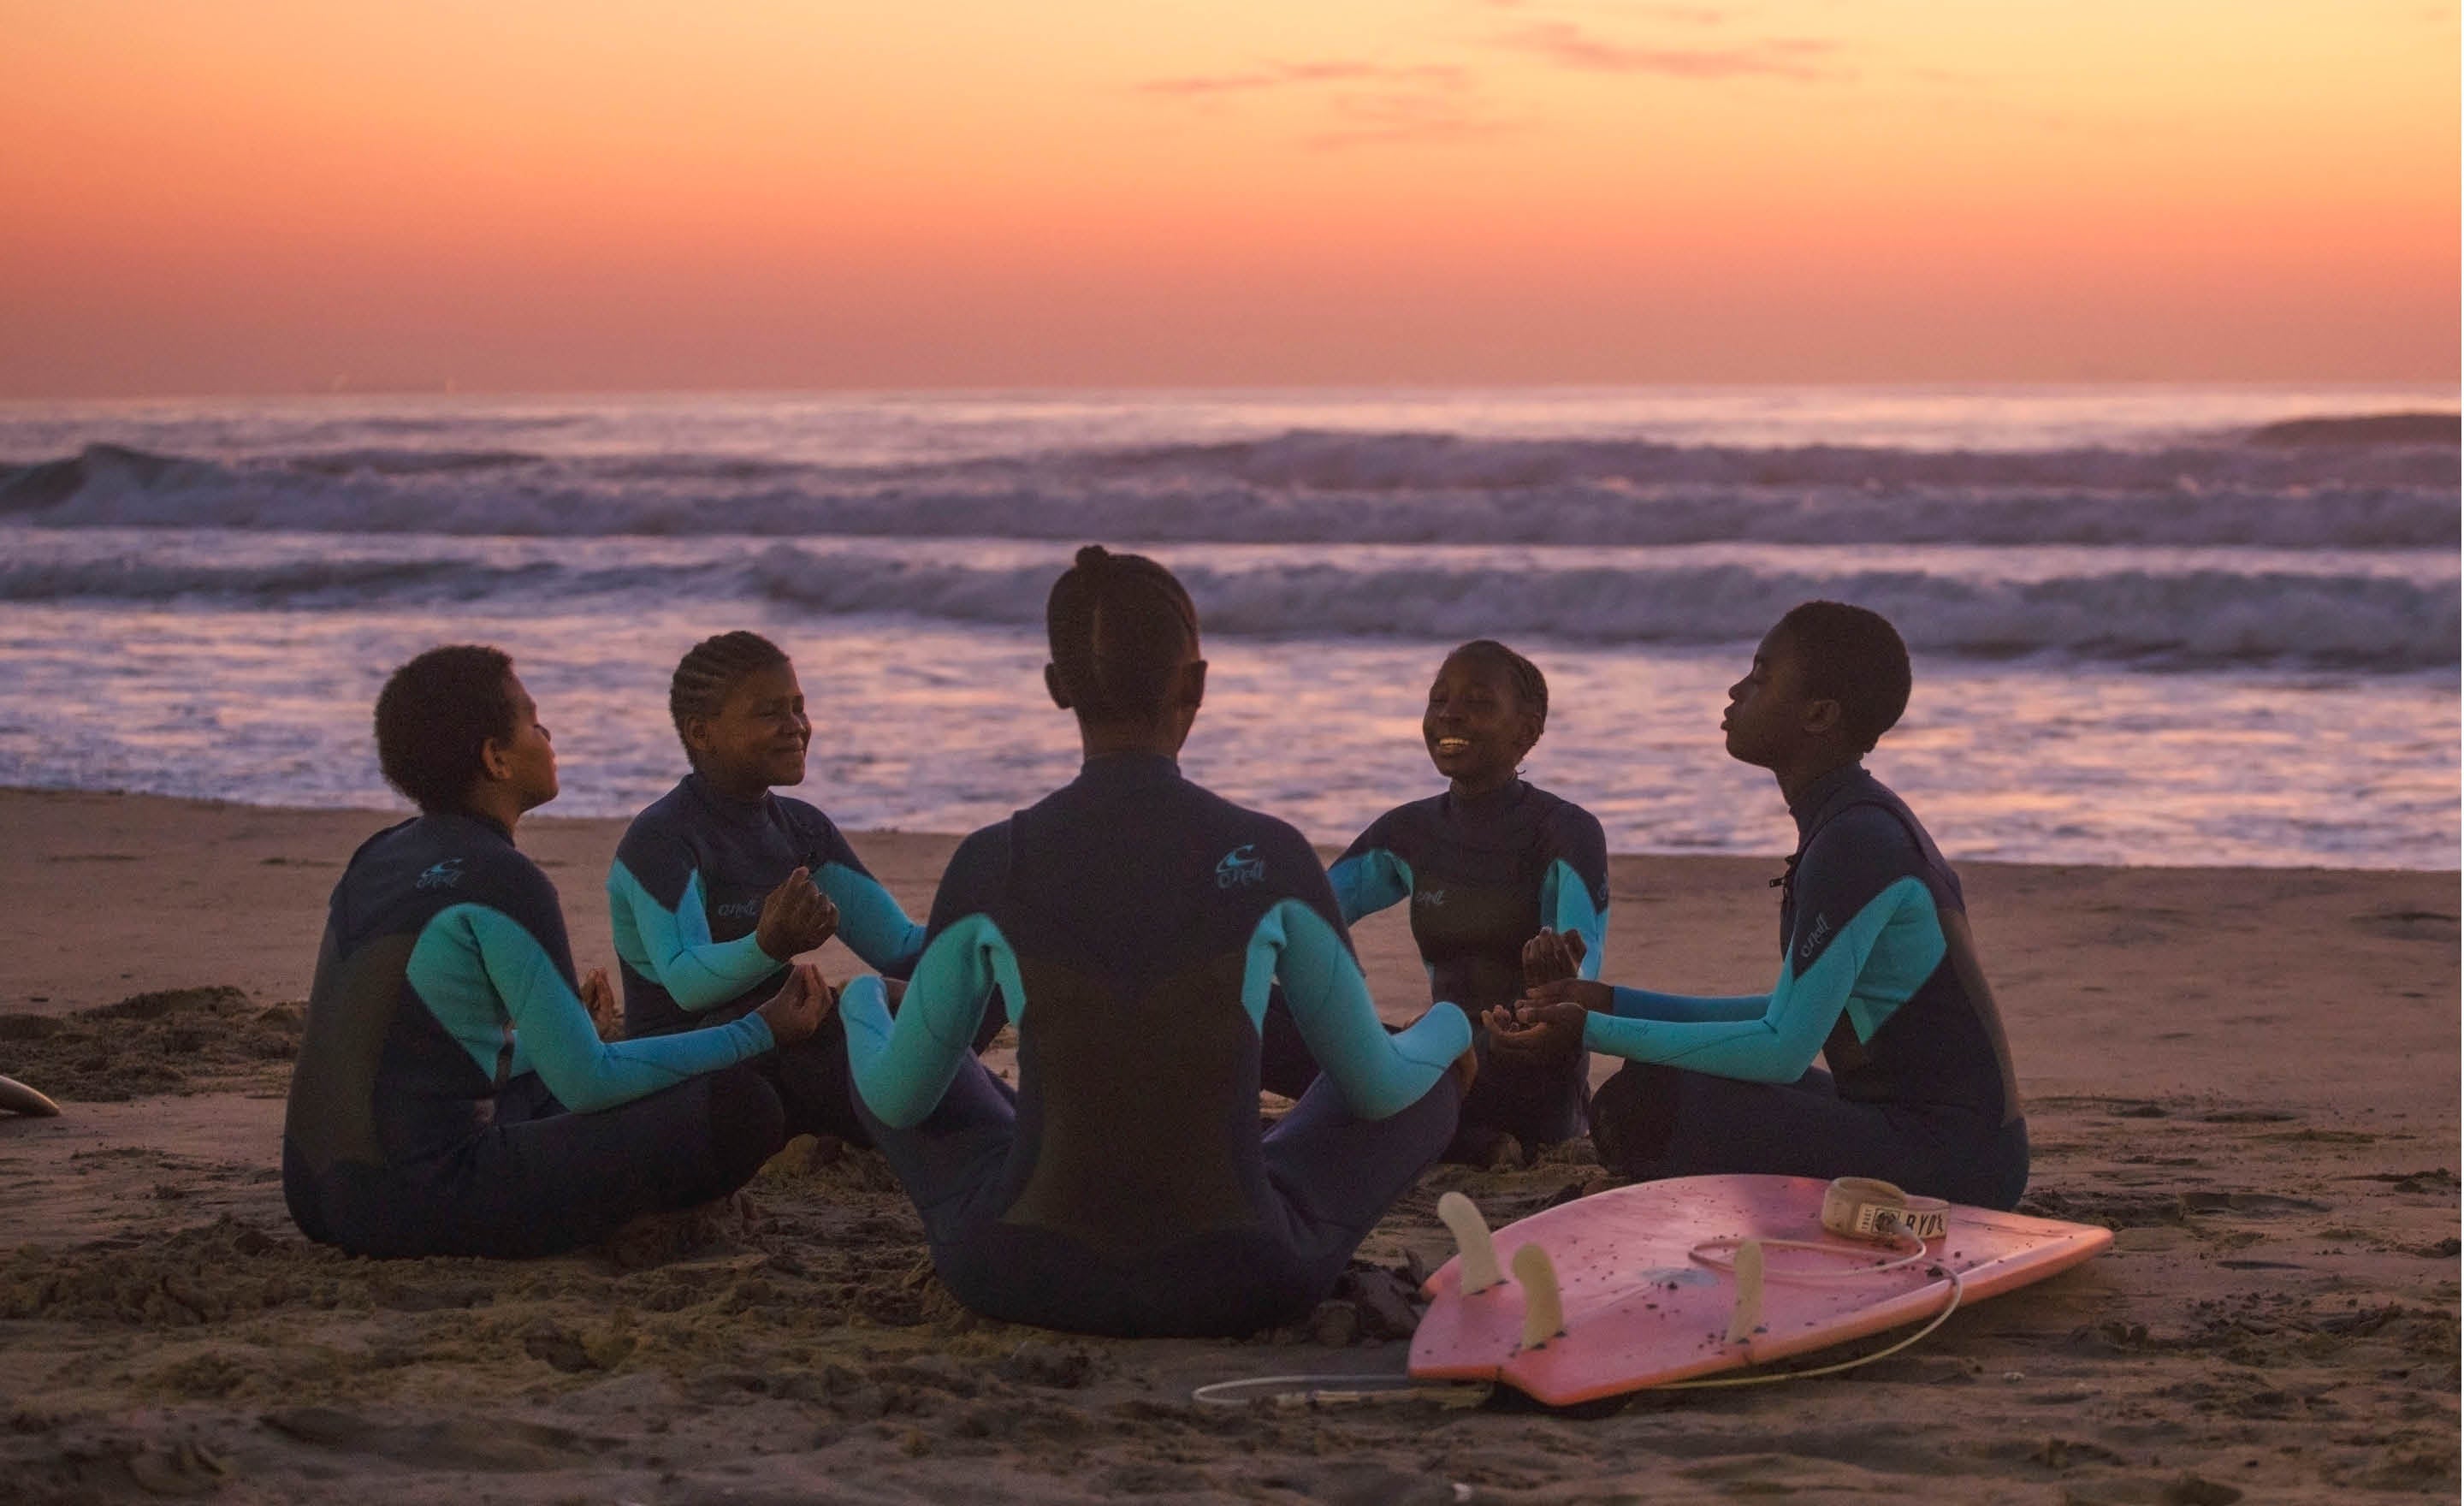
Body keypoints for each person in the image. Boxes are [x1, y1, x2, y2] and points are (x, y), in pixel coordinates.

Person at [835, 546, 1478, 1337]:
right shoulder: (1269, 853)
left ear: (1056, 687)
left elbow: (900, 1100)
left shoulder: (993, 860)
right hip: (1244, 1274)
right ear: (1196, 685)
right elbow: (1374, 1089)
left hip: (1018, 1270)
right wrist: (1450, 1030)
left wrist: (861, 1001)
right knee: (1424, 1082)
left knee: (907, 1059)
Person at [281, 645, 831, 1259]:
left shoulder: (379, 854)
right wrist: (758, 1030)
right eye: (534, 722)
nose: (548, 736)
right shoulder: (504, 877)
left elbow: (411, 1054)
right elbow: (590, 1082)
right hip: (418, 1199)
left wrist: (555, 1041)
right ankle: (615, 1224)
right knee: (740, 1107)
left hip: (314, 1190)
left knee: (562, 1072)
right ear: (495, 759)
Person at [1498, 602, 2029, 1210]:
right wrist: (1607, 1001)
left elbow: (1782, 1050)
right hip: (1937, 1138)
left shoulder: (1856, 842)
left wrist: (1587, 1030)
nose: (1735, 690)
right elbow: (1794, 1013)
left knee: (1649, 1103)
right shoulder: (1853, 822)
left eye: (1760, 676)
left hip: (1959, 1163)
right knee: (1663, 1077)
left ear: (1820, 715)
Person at [607, 631, 932, 1141]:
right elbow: (687, 984)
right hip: (695, 1071)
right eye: (769, 712)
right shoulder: (663, 838)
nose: (796, 727)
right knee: (845, 1029)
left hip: (789, 1044)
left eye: (799, 707)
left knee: (957, 985)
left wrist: (993, 930)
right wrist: (769, 945)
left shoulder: (802, 830)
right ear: (700, 732)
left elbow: (901, 947)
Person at [1316, 641, 1608, 1165]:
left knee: (1389, 1076)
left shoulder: (1565, 832)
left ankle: (1456, 1136)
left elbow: (1583, 972)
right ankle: (1466, 1141)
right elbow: (1305, 915)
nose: (1449, 714)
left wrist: (1561, 982)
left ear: (1526, 731)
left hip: (1529, 1068)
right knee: (1276, 1025)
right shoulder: (1409, 830)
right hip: (1440, 1057)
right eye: (1438, 699)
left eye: (1477, 702)